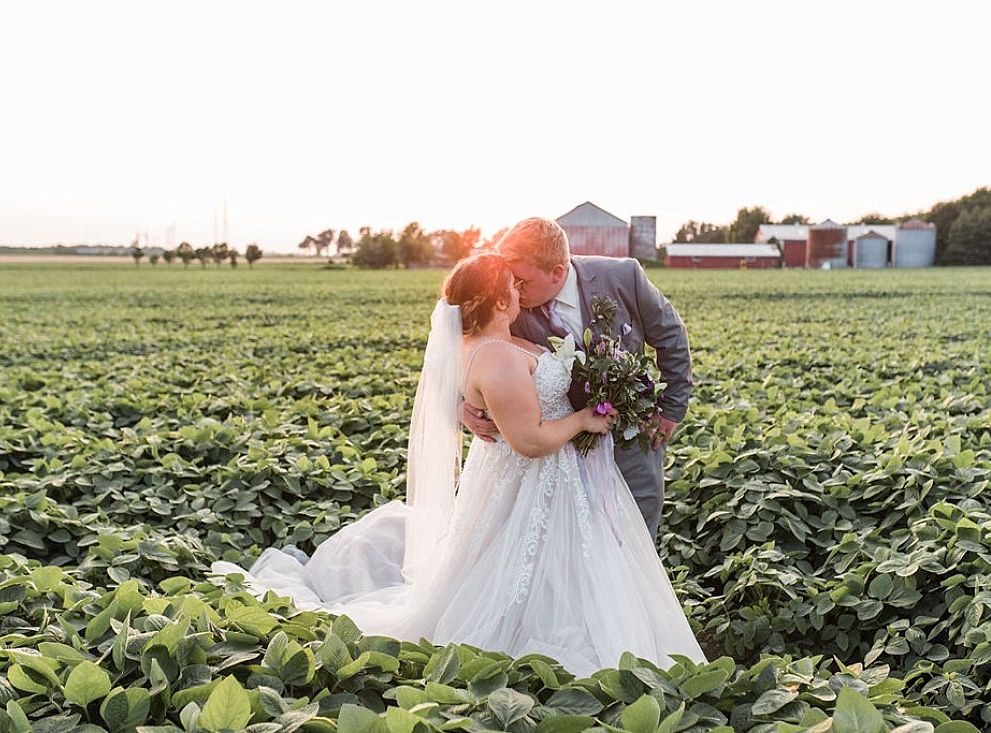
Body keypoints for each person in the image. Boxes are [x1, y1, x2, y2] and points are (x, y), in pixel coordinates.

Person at [212, 253, 704, 676]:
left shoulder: (502, 340)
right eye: (512, 287)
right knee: (523, 568)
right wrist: (583, 420)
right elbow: (531, 440)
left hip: (558, 477)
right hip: (535, 473)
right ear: (495, 300)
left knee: (563, 564)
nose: (520, 293)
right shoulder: (497, 356)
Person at [463, 218, 691, 539]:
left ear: (557, 272)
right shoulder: (510, 306)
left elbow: (671, 337)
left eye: (521, 280)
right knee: (573, 547)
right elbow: (477, 346)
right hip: (560, 453)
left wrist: (670, 409)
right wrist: (465, 403)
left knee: (637, 534)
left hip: (631, 436)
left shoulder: (624, 277)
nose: (513, 289)